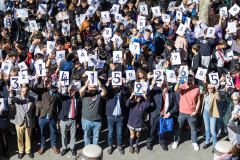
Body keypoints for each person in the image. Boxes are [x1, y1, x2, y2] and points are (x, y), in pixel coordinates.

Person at [30, 76, 60, 155]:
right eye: (45, 81)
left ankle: (54, 145)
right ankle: (43, 146)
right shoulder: (41, 89)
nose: (47, 83)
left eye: (48, 81)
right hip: (42, 115)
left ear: (51, 81)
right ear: (43, 81)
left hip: (52, 115)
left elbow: (59, 100)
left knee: (53, 132)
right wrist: (37, 79)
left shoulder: (56, 89)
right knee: (42, 132)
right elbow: (33, 88)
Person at [172, 74, 201, 151]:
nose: (189, 81)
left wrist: (196, 111)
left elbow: (199, 101)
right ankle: (176, 141)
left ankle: (194, 142)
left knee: (193, 128)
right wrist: (178, 82)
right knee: (179, 127)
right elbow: (175, 89)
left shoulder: (197, 88)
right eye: (188, 79)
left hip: (192, 113)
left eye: (191, 79)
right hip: (182, 112)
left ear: (193, 80)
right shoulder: (182, 86)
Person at [147, 80, 177, 151]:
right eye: (162, 85)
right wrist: (152, 84)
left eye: (165, 85)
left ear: (168, 87)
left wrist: (169, 113)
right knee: (152, 129)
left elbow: (176, 106)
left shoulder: (172, 94)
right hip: (155, 115)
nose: (164, 87)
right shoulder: (156, 92)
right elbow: (148, 92)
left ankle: (162, 142)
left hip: (165, 116)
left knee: (162, 131)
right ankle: (149, 142)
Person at [8, 86, 35, 159]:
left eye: (26, 91)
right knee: (19, 137)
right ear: (20, 91)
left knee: (28, 137)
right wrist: (10, 92)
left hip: (28, 121)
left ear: (28, 91)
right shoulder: (16, 98)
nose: (24, 93)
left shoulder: (32, 99)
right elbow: (10, 101)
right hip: (19, 121)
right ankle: (20, 151)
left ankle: (28, 151)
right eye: (23, 91)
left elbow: (32, 110)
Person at [80, 80, 107, 146]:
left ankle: (95, 149)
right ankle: (87, 149)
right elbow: (80, 91)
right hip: (86, 120)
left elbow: (105, 92)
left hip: (97, 121)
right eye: (90, 87)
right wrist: (86, 85)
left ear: (96, 87)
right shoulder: (84, 94)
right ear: (88, 87)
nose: (92, 89)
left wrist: (100, 85)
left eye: (94, 87)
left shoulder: (99, 94)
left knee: (96, 137)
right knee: (87, 136)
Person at [58, 85, 81, 156]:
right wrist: (60, 89)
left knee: (73, 135)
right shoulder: (65, 97)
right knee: (64, 135)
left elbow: (79, 111)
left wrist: (78, 121)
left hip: (73, 119)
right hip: (64, 119)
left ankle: (72, 147)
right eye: (70, 90)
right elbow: (59, 96)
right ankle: (64, 147)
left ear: (75, 91)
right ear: (68, 90)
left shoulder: (77, 99)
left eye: (73, 90)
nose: (71, 91)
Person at [201, 84, 220, 152]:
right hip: (205, 113)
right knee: (207, 129)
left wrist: (217, 89)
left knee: (213, 130)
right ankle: (207, 142)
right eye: (208, 88)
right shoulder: (205, 94)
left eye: (211, 88)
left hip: (212, 114)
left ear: (213, 88)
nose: (210, 89)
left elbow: (218, 98)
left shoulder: (215, 94)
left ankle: (215, 146)